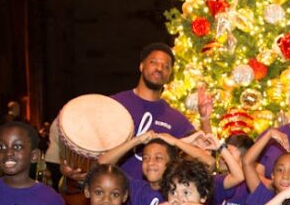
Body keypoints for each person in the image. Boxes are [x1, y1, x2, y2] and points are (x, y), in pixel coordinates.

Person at [89, 43, 211, 183]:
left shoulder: (176, 119)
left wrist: (205, 118)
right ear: (141, 66)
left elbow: (205, 155)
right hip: (114, 196)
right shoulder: (116, 104)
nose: (159, 68)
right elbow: (92, 150)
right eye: (154, 62)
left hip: (156, 200)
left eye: (166, 66)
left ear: (170, 75)